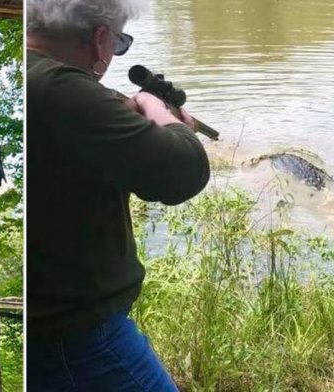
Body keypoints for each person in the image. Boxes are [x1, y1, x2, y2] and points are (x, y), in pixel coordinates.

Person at [26, 0, 211, 390]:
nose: (113, 54)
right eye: (119, 42)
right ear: (98, 39)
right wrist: (157, 110)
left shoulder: (40, 79)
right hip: (81, 337)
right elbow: (184, 171)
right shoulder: (62, 91)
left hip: (49, 331)